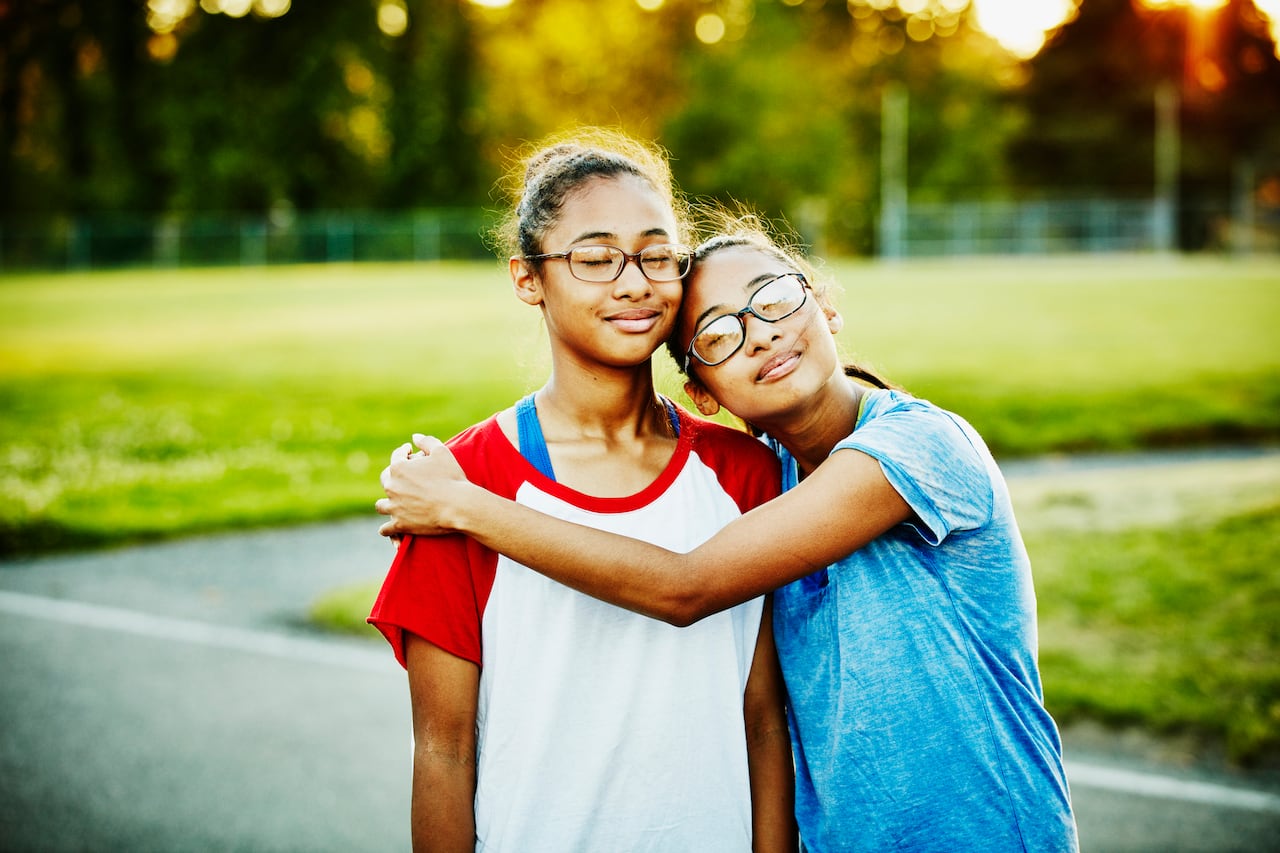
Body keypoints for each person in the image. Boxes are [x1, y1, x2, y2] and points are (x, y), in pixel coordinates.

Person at [377, 219, 1081, 852]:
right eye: (718, 335)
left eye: (774, 298)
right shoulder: (759, 478)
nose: (763, 332)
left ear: (826, 306)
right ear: (705, 394)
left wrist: (465, 505)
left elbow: (688, 585)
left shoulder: (919, 445)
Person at [366, 133, 796, 853]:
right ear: (528, 278)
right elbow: (442, 751)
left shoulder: (743, 472)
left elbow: (762, 716)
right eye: (595, 258)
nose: (634, 282)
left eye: (658, 255)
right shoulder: (461, 485)